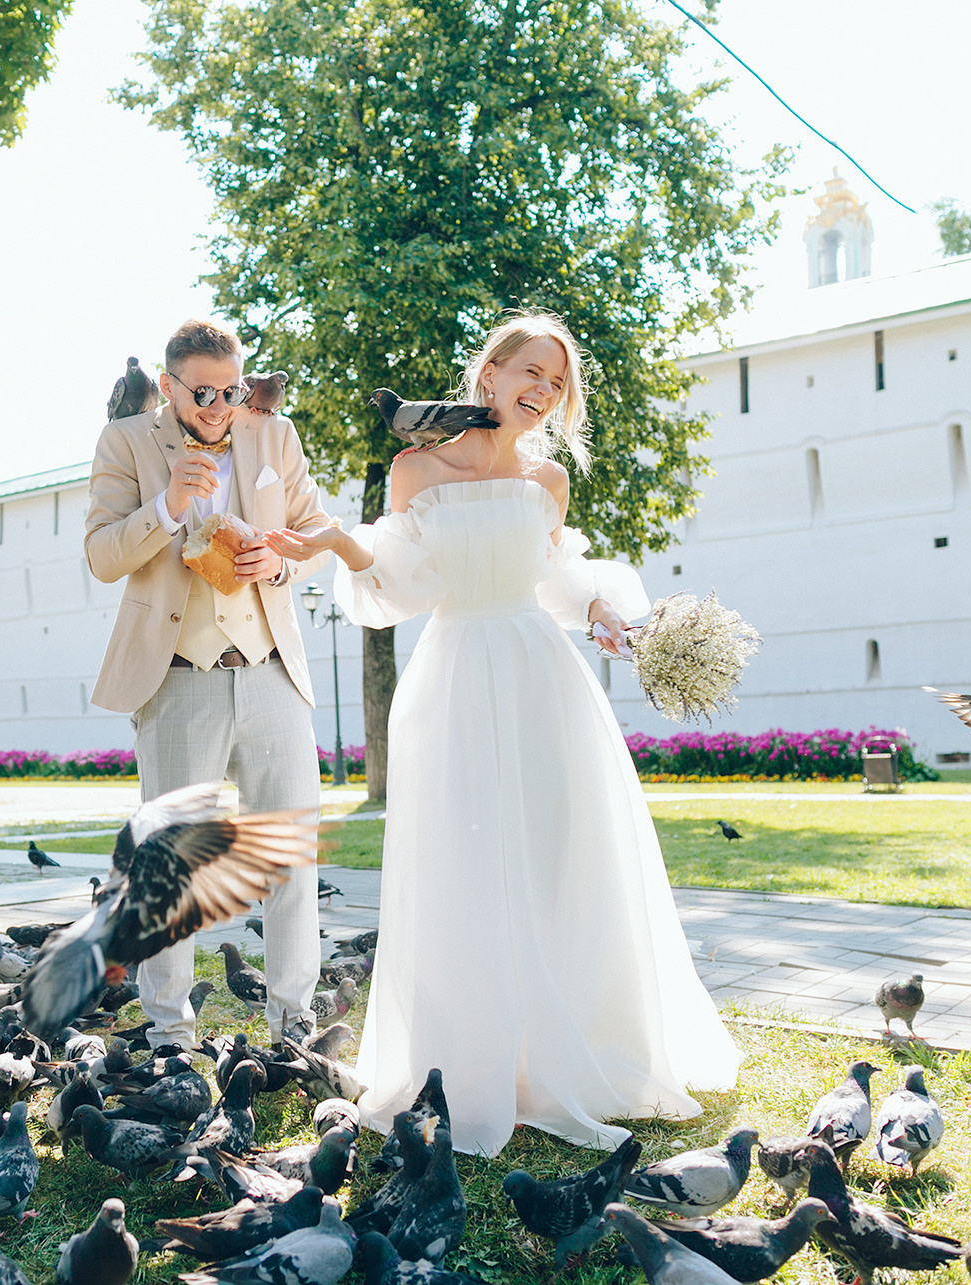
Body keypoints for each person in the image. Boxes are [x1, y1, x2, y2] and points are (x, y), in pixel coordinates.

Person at [264, 311, 739, 1156]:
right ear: (489, 375)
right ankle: (470, 1062)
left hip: (540, 679)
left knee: (558, 858)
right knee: (467, 865)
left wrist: (599, 609)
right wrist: (339, 538)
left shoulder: (548, 480)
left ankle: (557, 1056)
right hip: (451, 677)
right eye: (531, 371)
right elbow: (402, 581)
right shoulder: (417, 467)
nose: (544, 390)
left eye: (558, 381)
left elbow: (554, 573)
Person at [84, 319, 334, 1046]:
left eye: (232, 389)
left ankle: (294, 1023)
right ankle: (169, 1034)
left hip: (271, 673)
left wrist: (282, 564)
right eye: (203, 392)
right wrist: (163, 507)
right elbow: (102, 555)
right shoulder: (126, 444)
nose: (222, 405)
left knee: (289, 853)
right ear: (168, 387)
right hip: (178, 676)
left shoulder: (273, 436)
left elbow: (317, 530)